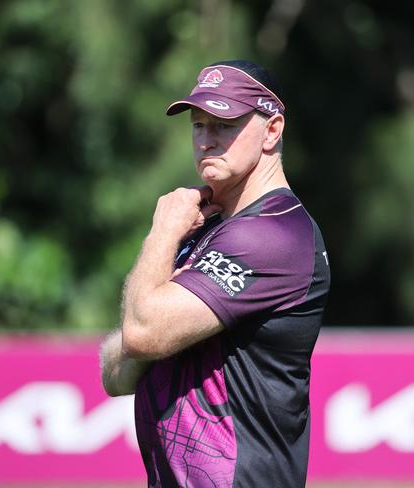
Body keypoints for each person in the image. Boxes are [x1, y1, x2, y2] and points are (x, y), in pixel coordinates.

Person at [100, 60, 330, 487]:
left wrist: (162, 233)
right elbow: (115, 373)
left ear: (272, 130)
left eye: (223, 124)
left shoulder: (274, 234)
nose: (206, 141)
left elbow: (140, 334)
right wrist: (146, 334)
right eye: (198, 125)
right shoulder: (206, 228)